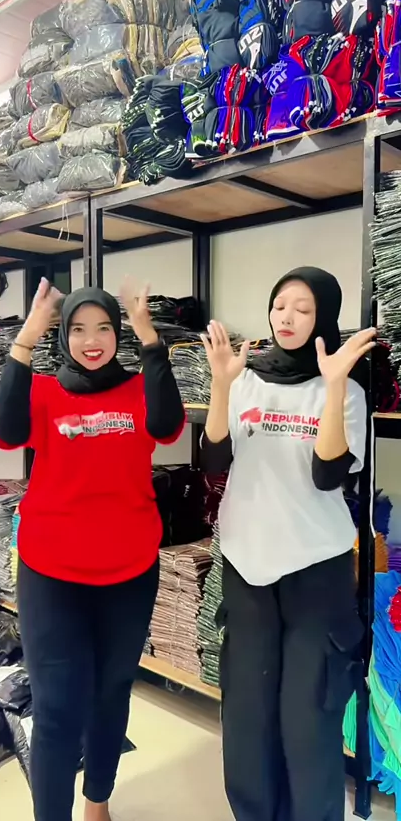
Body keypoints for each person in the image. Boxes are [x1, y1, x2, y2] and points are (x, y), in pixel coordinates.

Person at [0, 278, 185, 821]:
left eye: (103, 328)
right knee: (56, 708)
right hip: (51, 572)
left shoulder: (139, 390)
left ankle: (97, 801)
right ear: (64, 336)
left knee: (110, 693)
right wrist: (29, 334)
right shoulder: (45, 391)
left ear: (117, 334)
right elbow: (4, 432)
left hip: (129, 572)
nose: (91, 340)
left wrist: (149, 336)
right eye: (78, 329)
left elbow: (170, 426)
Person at [200, 267, 375, 821]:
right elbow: (213, 461)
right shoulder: (245, 381)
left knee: (308, 718)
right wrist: (221, 384)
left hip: (314, 571)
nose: (287, 317)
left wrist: (335, 386)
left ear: (323, 316)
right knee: (247, 713)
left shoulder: (345, 389)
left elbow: (329, 476)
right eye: (280, 306)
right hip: (247, 567)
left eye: (303, 308)